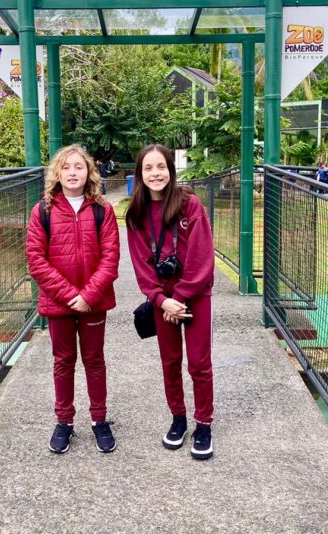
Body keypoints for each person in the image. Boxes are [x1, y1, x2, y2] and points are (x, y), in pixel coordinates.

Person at [26, 144, 121, 454]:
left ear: (88, 172)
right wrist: (71, 296)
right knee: (63, 361)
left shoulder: (102, 210)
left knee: (94, 360)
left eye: (78, 166)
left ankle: (99, 419)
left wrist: (88, 295)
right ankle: (64, 421)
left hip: (93, 302)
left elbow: (110, 257)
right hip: (60, 303)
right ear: (57, 173)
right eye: (66, 167)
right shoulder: (43, 211)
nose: (72, 172)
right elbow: (36, 260)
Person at [125, 144, 216, 461]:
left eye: (161, 166)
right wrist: (161, 300)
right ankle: (178, 418)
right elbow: (141, 265)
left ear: (170, 169)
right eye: (148, 168)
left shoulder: (189, 205)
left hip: (194, 295)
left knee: (199, 363)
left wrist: (180, 297)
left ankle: (203, 424)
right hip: (163, 301)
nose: (155, 174)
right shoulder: (136, 214)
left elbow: (201, 256)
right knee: (170, 361)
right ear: (140, 174)